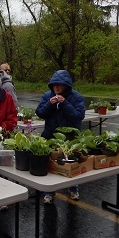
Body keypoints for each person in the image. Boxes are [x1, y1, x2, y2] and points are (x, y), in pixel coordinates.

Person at [35, 70, 85, 205]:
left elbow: (78, 116)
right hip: (51, 135)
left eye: (59, 85)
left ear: (66, 86)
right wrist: (49, 104)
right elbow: (40, 113)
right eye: (54, 85)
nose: (56, 88)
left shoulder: (77, 97)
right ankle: (49, 193)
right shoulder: (47, 96)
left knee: (72, 163)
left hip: (70, 138)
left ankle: (74, 188)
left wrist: (65, 103)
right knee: (51, 164)